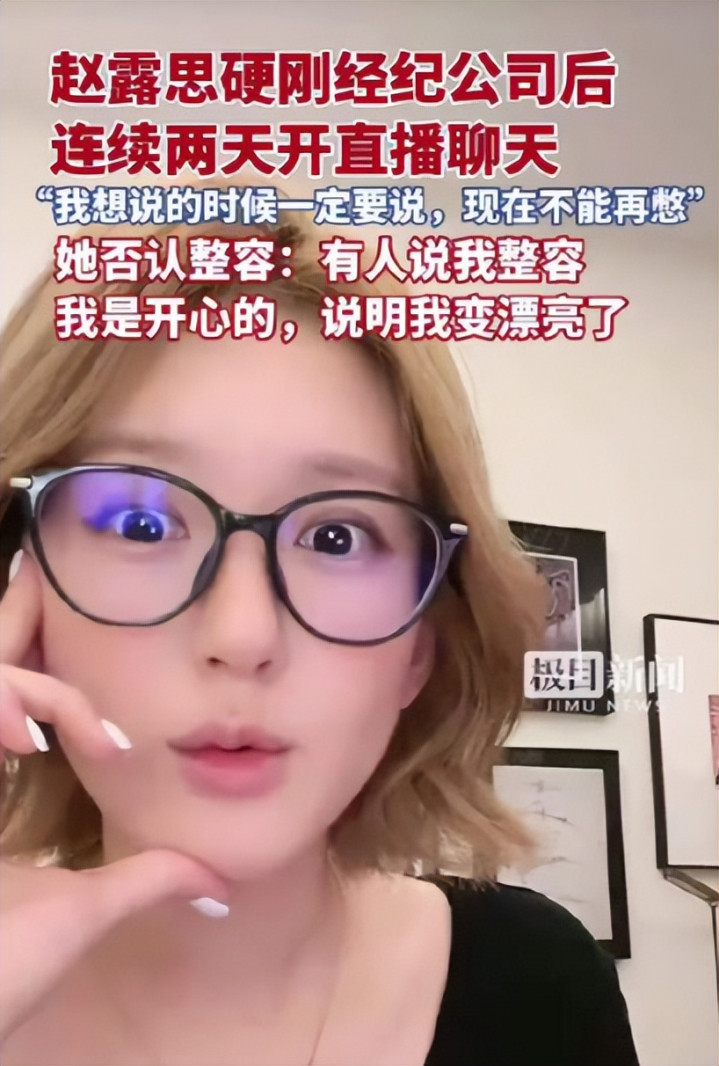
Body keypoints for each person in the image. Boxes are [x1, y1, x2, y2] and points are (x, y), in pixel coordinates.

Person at [0, 192, 640, 1065]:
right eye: (140, 523)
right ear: (23, 594)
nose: (243, 634)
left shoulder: (539, 988)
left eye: (337, 537)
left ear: (420, 645)